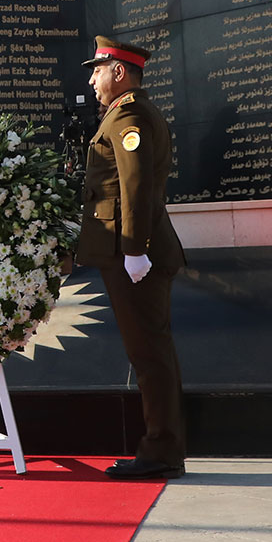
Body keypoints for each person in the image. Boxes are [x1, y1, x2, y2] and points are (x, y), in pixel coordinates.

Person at [75, 36, 188, 479]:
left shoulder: (130, 116)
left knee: (149, 355)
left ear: (118, 72)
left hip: (134, 256)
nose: (92, 80)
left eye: (97, 70)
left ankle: (160, 452)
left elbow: (135, 186)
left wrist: (134, 250)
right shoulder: (125, 114)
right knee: (152, 353)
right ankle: (164, 447)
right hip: (130, 252)